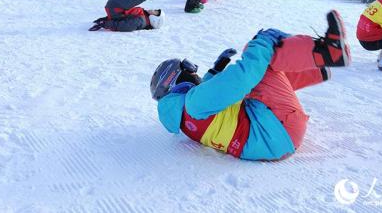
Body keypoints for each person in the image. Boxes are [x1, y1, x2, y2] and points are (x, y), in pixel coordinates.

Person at [150, 10, 351, 161]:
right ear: (175, 79)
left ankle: (319, 65)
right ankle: (328, 53)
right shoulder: (195, 102)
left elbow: (213, 93)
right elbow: (244, 76)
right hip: (276, 129)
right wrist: (262, 43)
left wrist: (216, 68)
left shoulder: (187, 115)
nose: (194, 71)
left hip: (273, 141)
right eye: (188, 68)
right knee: (259, 60)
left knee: (254, 80)